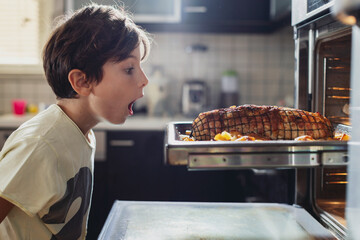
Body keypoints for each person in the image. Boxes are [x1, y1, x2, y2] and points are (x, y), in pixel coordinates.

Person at [0, 3, 150, 239]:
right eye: (130, 69)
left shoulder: (82, 132)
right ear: (81, 81)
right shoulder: (40, 145)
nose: (144, 80)